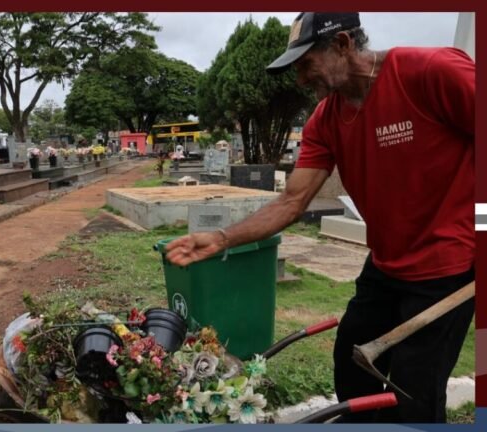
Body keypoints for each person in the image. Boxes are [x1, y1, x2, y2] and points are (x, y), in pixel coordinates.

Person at [165, 12, 474, 423]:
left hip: (447, 269)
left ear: (343, 45)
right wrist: (222, 238)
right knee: (351, 360)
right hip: (386, 262)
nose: (299, 79)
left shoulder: (431, 72)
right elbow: (291, 201)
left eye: (306, 64)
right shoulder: (326, 119)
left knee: (415, 394)